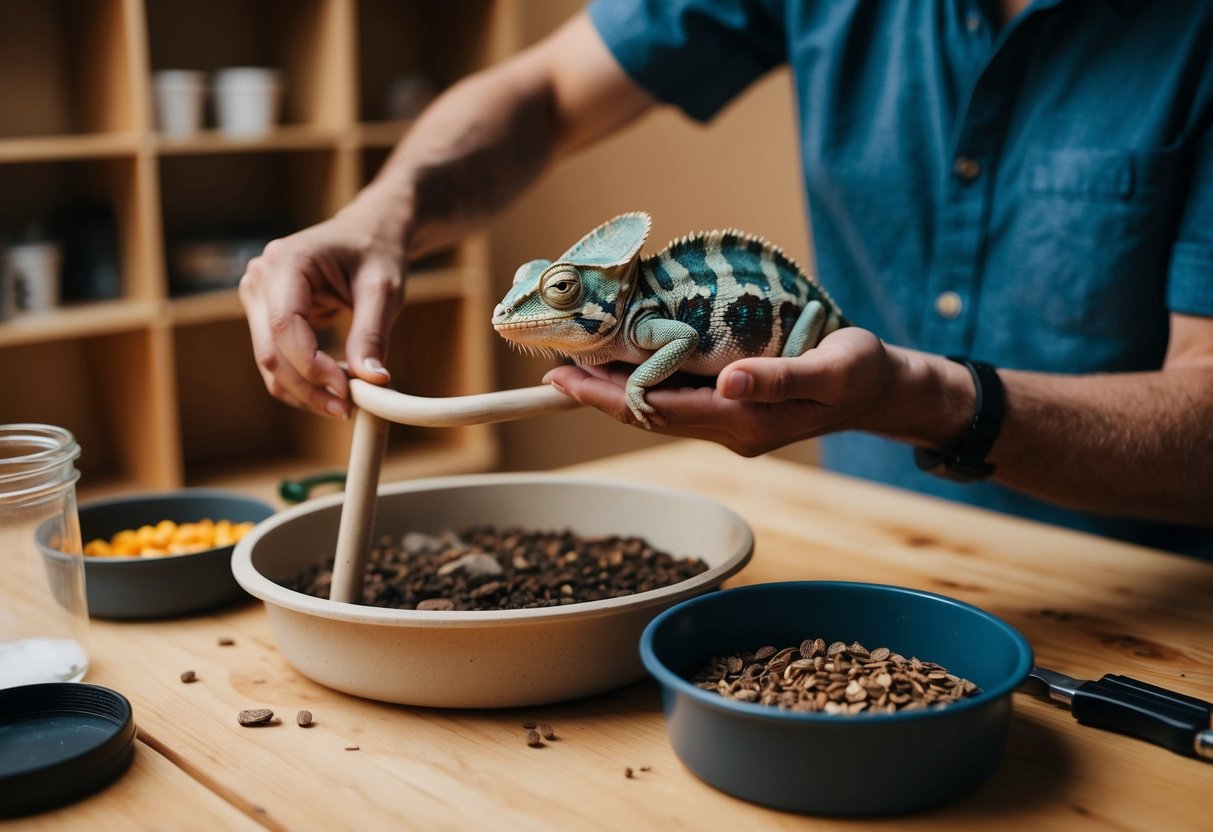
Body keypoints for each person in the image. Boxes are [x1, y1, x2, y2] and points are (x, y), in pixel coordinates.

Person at [239, 1, 1213, 558]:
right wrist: (385, 214)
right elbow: (539, 92)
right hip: (863, 538)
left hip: (1146, 583)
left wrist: (924, 400)